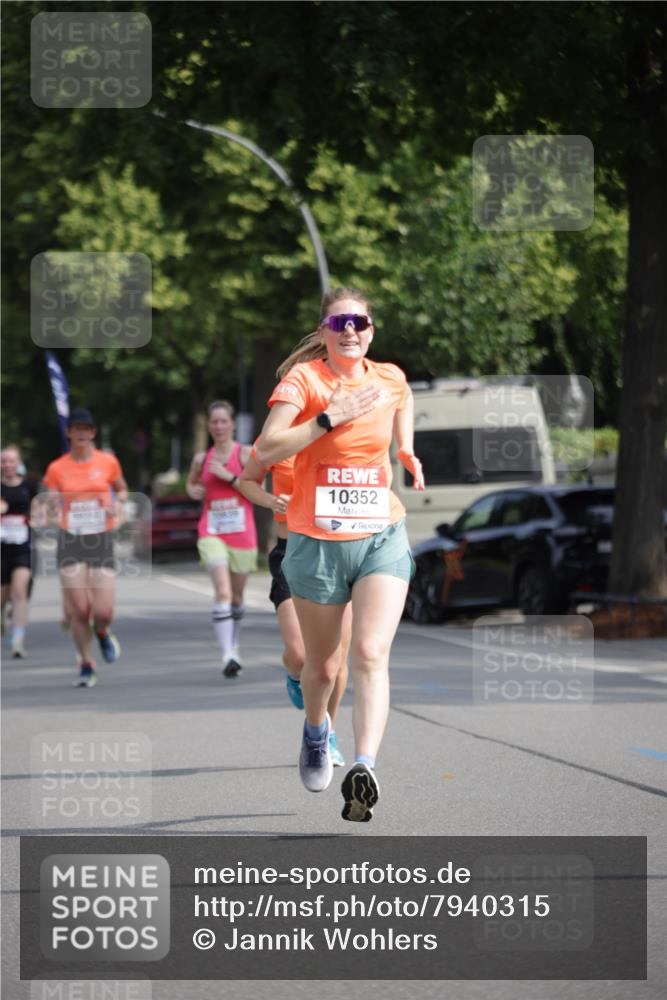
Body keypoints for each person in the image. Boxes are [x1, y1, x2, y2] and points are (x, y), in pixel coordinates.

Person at [256, 287, 424, 821]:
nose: (350, 329)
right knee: (323, 669)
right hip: (317, 543)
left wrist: (405, 448)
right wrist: (329, 417)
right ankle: (314, 731)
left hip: (381, 535)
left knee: (371, 654)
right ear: (324, 332)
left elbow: (405, 399)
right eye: (339, 322)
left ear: (372, 329)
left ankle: (364, 767)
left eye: (360, 321)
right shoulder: (303, 382)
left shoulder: (390, 377)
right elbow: (265, 450)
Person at [238, 447, 350, 767]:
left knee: (337, 657)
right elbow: (247, 482)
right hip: (292, 551)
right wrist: (272, 501)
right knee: (301, 654)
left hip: (337, 551)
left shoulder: (340, 430)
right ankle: (294, 672)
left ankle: (327, 734)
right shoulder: (279, 433)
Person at [42, 408, 128, 688]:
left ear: (93, 432)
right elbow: (50, 500)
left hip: (100, 538)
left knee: (102, 611)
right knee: (80, 608)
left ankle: (102, 632)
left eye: (86, 429)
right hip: (70, 539)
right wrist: (53, 507)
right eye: (76, 428)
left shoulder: (108, 462)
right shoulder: (57, 468)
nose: (81, 433)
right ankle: (86, 663)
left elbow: (123, 489)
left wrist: (117, 503)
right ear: (68, 432)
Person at [186, 401, 257, 678]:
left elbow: (257, 490)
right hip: (211, 531)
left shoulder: (245, 454)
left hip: (242, 533)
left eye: (223, 421)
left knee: (237, 598)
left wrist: (228, 476)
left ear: (232, 424)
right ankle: (227, 654)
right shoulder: (201, 459)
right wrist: (193, 490)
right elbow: (192, 484)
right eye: (214, 422)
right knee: (224, 593)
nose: (218, 427)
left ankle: (233, 644)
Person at [1, 444, 38, 658]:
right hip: (1, 548)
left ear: (18, 462)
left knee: (19, 592)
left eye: (11, 460)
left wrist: (38, 514)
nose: (7, 464)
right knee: (3, 596)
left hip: (22, 547)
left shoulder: (29, 486)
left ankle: (18, 640)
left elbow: (41, 509)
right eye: (3, 461)